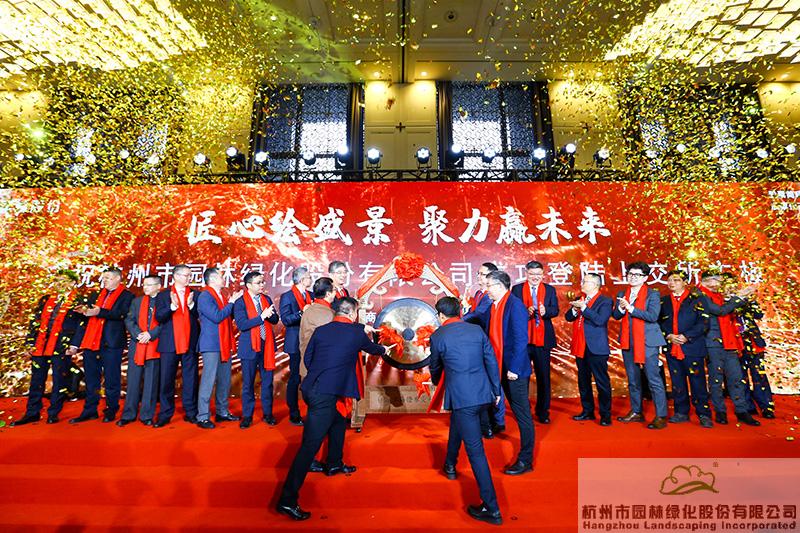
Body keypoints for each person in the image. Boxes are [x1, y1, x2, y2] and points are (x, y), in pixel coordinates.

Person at [276, 297, 388, 521]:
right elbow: (375, 349)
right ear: (353, 313)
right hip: (323, 395)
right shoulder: (356, 332)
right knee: (309, 447)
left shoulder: (322, 331)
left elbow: (308, 358)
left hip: (315, 387)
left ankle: (334, 463)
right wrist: (384, 348)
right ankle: (287, 500)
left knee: (337, 422)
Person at [429, 296, 503, 526]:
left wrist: (437, 382)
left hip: (463, 397)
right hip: (483, 393)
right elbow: (491, 360)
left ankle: (492, 508)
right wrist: (496, 390)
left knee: (476, 452)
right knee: (458, 424)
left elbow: (435, 366)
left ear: (441, 315)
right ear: (460, 311)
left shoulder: (438, 335)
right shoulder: (476, 330)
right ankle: (450, 464)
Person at [12, 270, 82, 426]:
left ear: (72, 283)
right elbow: (35, 322)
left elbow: (81, 325)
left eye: (63, 280)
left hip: (62, 345)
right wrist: (30, 342)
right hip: (41, 344)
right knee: (36, 379)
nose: (59, 283)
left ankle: (53, 413)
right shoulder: (46, 299)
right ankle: (32, 413)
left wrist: (74, 344)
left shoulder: (78, 301)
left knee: (59, 379)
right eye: (57, 280)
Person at [482, 270, 535, 476]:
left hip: (514, 370)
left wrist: (514, 368)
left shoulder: (515, 305)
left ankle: (526, 460)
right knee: (517, 410)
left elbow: (522, 339)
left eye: (489, 285)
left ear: (499, 286)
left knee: (522, 415)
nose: (486, 289)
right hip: (501, 366)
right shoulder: (494, 305)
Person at [70, 267, 134, 424]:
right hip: (91, 341)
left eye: (108, 278)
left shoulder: (127, 296)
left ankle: (111, 410)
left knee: (112, 379)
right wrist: (84, 311)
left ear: (118, 279)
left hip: (111, 342)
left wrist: (99, 312)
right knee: (91, 379)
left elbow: (122, 314)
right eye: (103, 278)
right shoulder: (96, 294)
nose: (104, 281)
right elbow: (85, 320)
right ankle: (90, 410)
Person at [696, 270, 759, 426]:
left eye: (719, 280)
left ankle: (742, 411)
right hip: (713, 342)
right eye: (716, 280)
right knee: (716, 378)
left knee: (736, 377)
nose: (718, 283)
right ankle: (720, 411)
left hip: (729, 341)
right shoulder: (700, 295)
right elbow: (720, 311)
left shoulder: (720, 295)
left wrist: (739, 297)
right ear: (705, 281)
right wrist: (739, 298)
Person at [611, 261, 668, 430]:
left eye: (637, 275)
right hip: (628, 341)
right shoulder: (623, 293)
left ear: (645, 278)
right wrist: (622, 309)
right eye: (630, 274)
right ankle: (636, 411)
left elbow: (653, 316)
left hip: (648, 341)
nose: (633, 277)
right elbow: (616, 315)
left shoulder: (653, 294)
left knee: (653, 379)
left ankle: (660, 415)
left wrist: (631, 309)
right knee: (633, 380)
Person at [658, 270, 713, 428]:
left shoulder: (698, 299)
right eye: (669, 280)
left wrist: (687, 336)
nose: (671, 283)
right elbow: (658, 322)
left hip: (692, 346)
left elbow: (704, 323)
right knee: (677, 381)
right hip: (672, 346)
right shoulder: (663, 301)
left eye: (676, 280)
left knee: (698, 382)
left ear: (685, 282)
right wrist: (668, 335)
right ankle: (681, 412)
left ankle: (703, 414)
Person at [511, 260, 559, 424]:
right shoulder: (517, 289)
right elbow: (512, 310)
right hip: (523, 341)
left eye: (538, 274)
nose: (535, 277)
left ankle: (543, 411)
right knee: (522, 377)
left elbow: (555, 310)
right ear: (526, 274)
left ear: (543, 274)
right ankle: (523, 411)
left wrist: (546, 311)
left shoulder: (550, 290)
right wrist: (526, 311)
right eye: (532, 274)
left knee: (543, 377)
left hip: (543, 340)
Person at [195, 267, 242, 429]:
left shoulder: (221, 295)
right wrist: (232, 302)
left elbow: (226, 315)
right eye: (221, 276)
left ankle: (222, 411)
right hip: (211, 344)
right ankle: (203, 416)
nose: (224, 279)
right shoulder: (205, 296)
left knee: (224, 379)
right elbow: (217, 317)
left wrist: (233, 304)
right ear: (213, 279)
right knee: (208, 380)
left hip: (224, 342)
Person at [154, 264, 200, 427]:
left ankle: (191, 412)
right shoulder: (163, 295)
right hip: (169, 343)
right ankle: (165, 413)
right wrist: (172, 307)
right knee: (166, 379)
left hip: (190, 342)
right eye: (185, 275)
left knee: (191, 379)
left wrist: (191, 305)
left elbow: (200, 314)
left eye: (190, 275)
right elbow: (159, 317)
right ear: (175, 276)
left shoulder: (195, 294)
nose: (188, 278)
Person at [565, 273, 614, 426]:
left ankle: (605, 415)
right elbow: (568, 317)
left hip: (596, 347)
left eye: (585, 282)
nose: (582, 284)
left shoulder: (605, 301)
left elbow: (600, 320)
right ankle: (587, 411)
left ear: (595, 285)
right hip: (581, 346)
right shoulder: (580, 298)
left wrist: (584, 307)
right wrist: (575, 309)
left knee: (601, 381)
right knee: (583, 380)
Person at [233, 271, 279, 428]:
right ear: (248, 285)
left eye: (262, 282)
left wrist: (270, 315)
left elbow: (275, 320)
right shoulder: (240, 302)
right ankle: (247, 416)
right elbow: (242, 325)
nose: (262, 285)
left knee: (268, 383)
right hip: (249, 348)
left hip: (267, 346)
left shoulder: (266, 299)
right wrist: (261, 317)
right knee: (248, 384)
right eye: (258, 283)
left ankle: (268, 414)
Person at [118, 275, 163, 427]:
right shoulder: (137, 301)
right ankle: (128, 414)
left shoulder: (164, 301)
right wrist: (138, 334)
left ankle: (146, 415)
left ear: (158, 286)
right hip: (137, 344)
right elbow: (129, 320)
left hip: (155, 345)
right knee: (133, 381)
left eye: (149, 285)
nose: (145, 288)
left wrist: (151, 334)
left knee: (151, 383)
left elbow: (166, 322)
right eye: (144, 285)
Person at [279, 266, 313, 426]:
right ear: (301, 279)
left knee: (312, 376)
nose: (311, 279)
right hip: (295, 342)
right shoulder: (287, 296)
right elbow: (285, 320)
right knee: (295, 378)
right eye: (309, 277)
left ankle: (314, 411)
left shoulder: (312, 295)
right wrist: (302, 313)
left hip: (311, 341)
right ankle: (294, 412)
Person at [462, 262, 497, 332]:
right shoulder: (478, 293)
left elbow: (477, 314)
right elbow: (472, 311)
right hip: (474, 330)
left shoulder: (491, 295)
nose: (478, 276)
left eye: (482, 274)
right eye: (478, 273)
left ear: (492, 277)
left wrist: (458, 322)